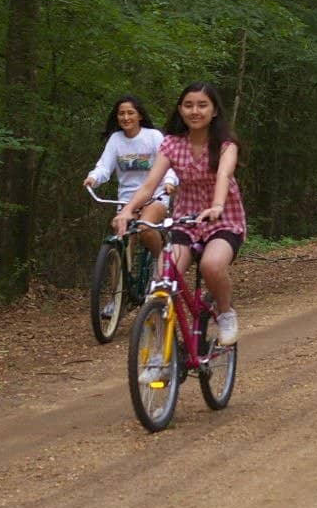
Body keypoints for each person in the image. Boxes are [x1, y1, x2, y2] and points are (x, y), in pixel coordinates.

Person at [113, 82, 246, 355]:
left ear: (214, 111)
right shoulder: (172, 144)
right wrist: (128, 210)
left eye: (202, 105)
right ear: (180, 109)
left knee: (211, 265)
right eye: (188, 105)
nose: (194, 111)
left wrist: (217, 205)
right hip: (186, 221)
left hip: (223, 220)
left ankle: (225, 312)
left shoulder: (226, 145)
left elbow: (223, 175)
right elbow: (151, 185)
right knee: (162, 280)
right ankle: (158, 355)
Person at [83, 95, 178, 258]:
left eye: (130, 113)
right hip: (126, 200)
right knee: (122, 240)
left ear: (139, 115)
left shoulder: (153, 136)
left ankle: (162, 268)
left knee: (145, 230)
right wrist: (94, 178)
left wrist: (169, 182)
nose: (126, 117)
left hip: (155, 196)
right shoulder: (116, 139)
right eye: (121, 114)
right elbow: (104, 167)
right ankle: (118, 282)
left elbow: (167, 164)